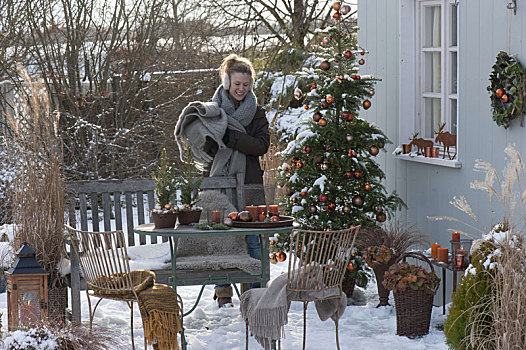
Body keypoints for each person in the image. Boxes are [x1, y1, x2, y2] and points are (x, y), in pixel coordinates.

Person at [210, 54, 270, 307]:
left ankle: (255, 293)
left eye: (246, 84)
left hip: (250, 182)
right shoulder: (211, 112)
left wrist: (231, 138)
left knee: (253, 237)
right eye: (237, 84)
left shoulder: (257, 113)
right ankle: (223, 292)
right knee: (223, 235)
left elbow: (261, 146)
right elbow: (208, 146)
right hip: (220, 181)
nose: (241, 89)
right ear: (227, 83)